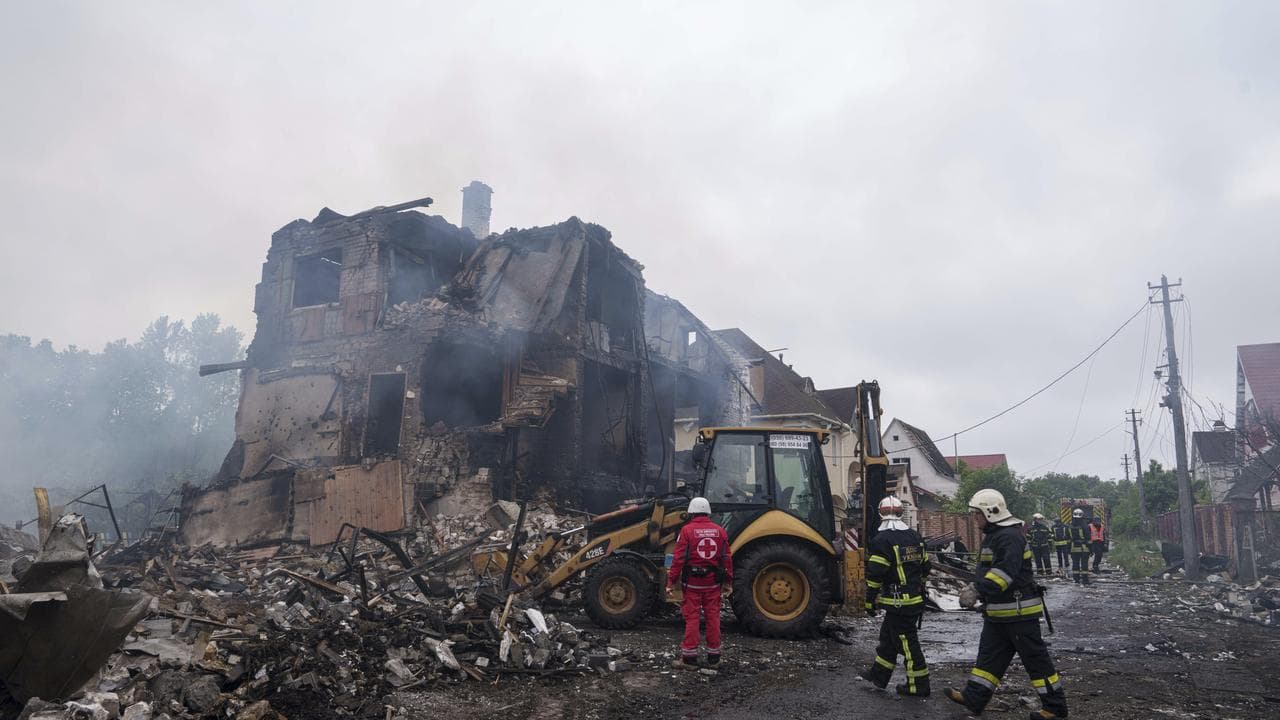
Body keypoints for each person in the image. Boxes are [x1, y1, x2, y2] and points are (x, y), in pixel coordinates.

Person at [947, 489, 1069, 720]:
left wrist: (977, 590)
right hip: (999, 613)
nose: (975, 518)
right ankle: (974, 698)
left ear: (990, 512)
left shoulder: (1009, 536)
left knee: (1036, 661)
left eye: (977, 513)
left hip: (1018, 612)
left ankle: (1055, 708)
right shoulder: (995, 535)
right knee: (989, 658)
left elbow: (1005, 572)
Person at [858, 496, 932, 696]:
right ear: (901, 513)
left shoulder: (881, 540)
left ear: (881, 513)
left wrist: (869, 600)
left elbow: (876, 573)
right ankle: (879, 676)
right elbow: (926, 566)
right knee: (888, 639)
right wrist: (918, 585)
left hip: (898, 602)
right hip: (913, 600)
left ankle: (919, 685)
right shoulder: (915, 537)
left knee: (907, 644)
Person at [667, 496, 732, 668]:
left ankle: (689, 659)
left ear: (691, 512)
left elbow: (678, 559)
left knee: (692, 618)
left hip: (693, 584)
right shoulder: (720, 531)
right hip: (713, 584)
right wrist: (728, 581)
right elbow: (727, 559)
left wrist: (671, 581)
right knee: (713, 618)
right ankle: (714, 658)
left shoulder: (687, 531)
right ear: (708, 512)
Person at [1069, 508, 1091, 585]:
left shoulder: (1070, 526)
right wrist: (1091, 549)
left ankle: (1076, 579)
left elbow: (1069, 539)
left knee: (1075, 564)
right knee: (1084, 565)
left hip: (1074, 548)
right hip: (1084, 548)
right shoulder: (1085, 525)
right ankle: (1085, 580)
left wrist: (1069, 550)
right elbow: (1088, 538)